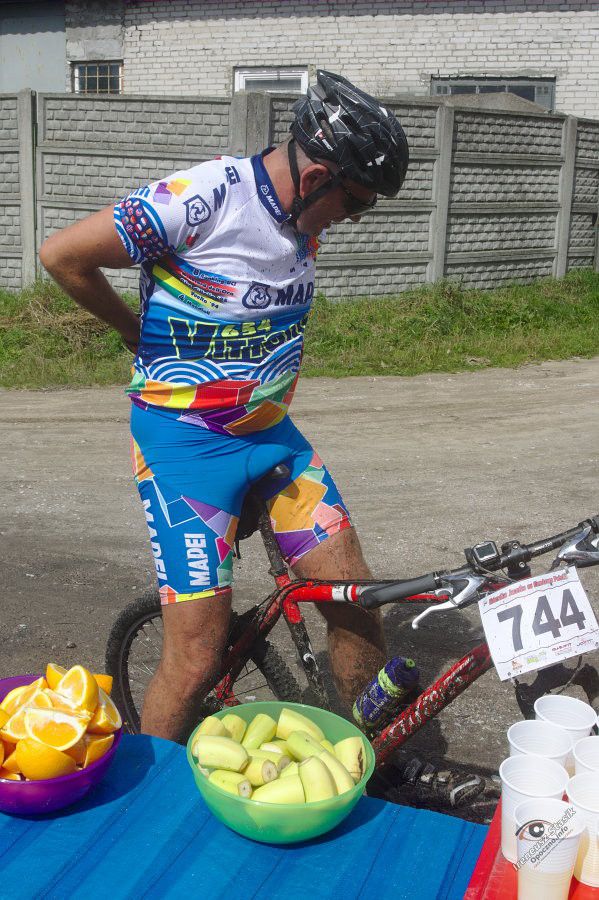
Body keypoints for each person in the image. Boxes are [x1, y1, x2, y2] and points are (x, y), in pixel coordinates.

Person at [39, 70, 410, 741]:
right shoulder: (200, 199)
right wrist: (130, 330)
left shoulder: (302, 215)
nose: (354, 218)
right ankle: (153, 787)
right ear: (316, 176)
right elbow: (62, 255)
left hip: (270, 437)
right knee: (196, 659)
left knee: (354, 602)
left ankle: (371, 756)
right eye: (355, 202)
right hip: (186, 450)